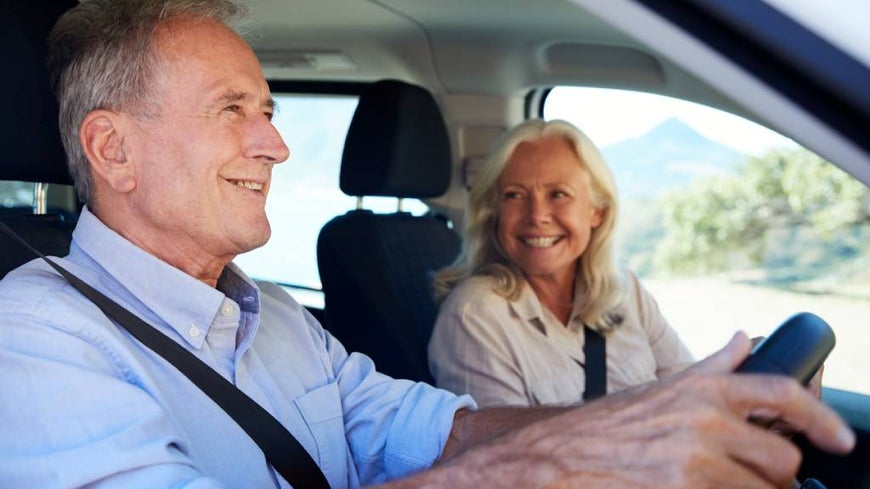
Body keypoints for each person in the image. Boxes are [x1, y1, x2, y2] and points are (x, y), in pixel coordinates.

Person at [0, 1, 853, 488]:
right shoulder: (33, 339)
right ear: (114, 149)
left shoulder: (279, 316)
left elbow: (431, 428)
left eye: (270, 111)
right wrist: (564, 461)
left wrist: (648, 417)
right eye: (233, 111)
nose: (277, 146)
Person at [429, 119, 695, 407]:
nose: (537, 215)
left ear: (597, 213)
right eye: (514, 195)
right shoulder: (475, 314)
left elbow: (693, 394)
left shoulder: (625, 290)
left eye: (558, 194)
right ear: (494, 213)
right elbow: (505, 449)